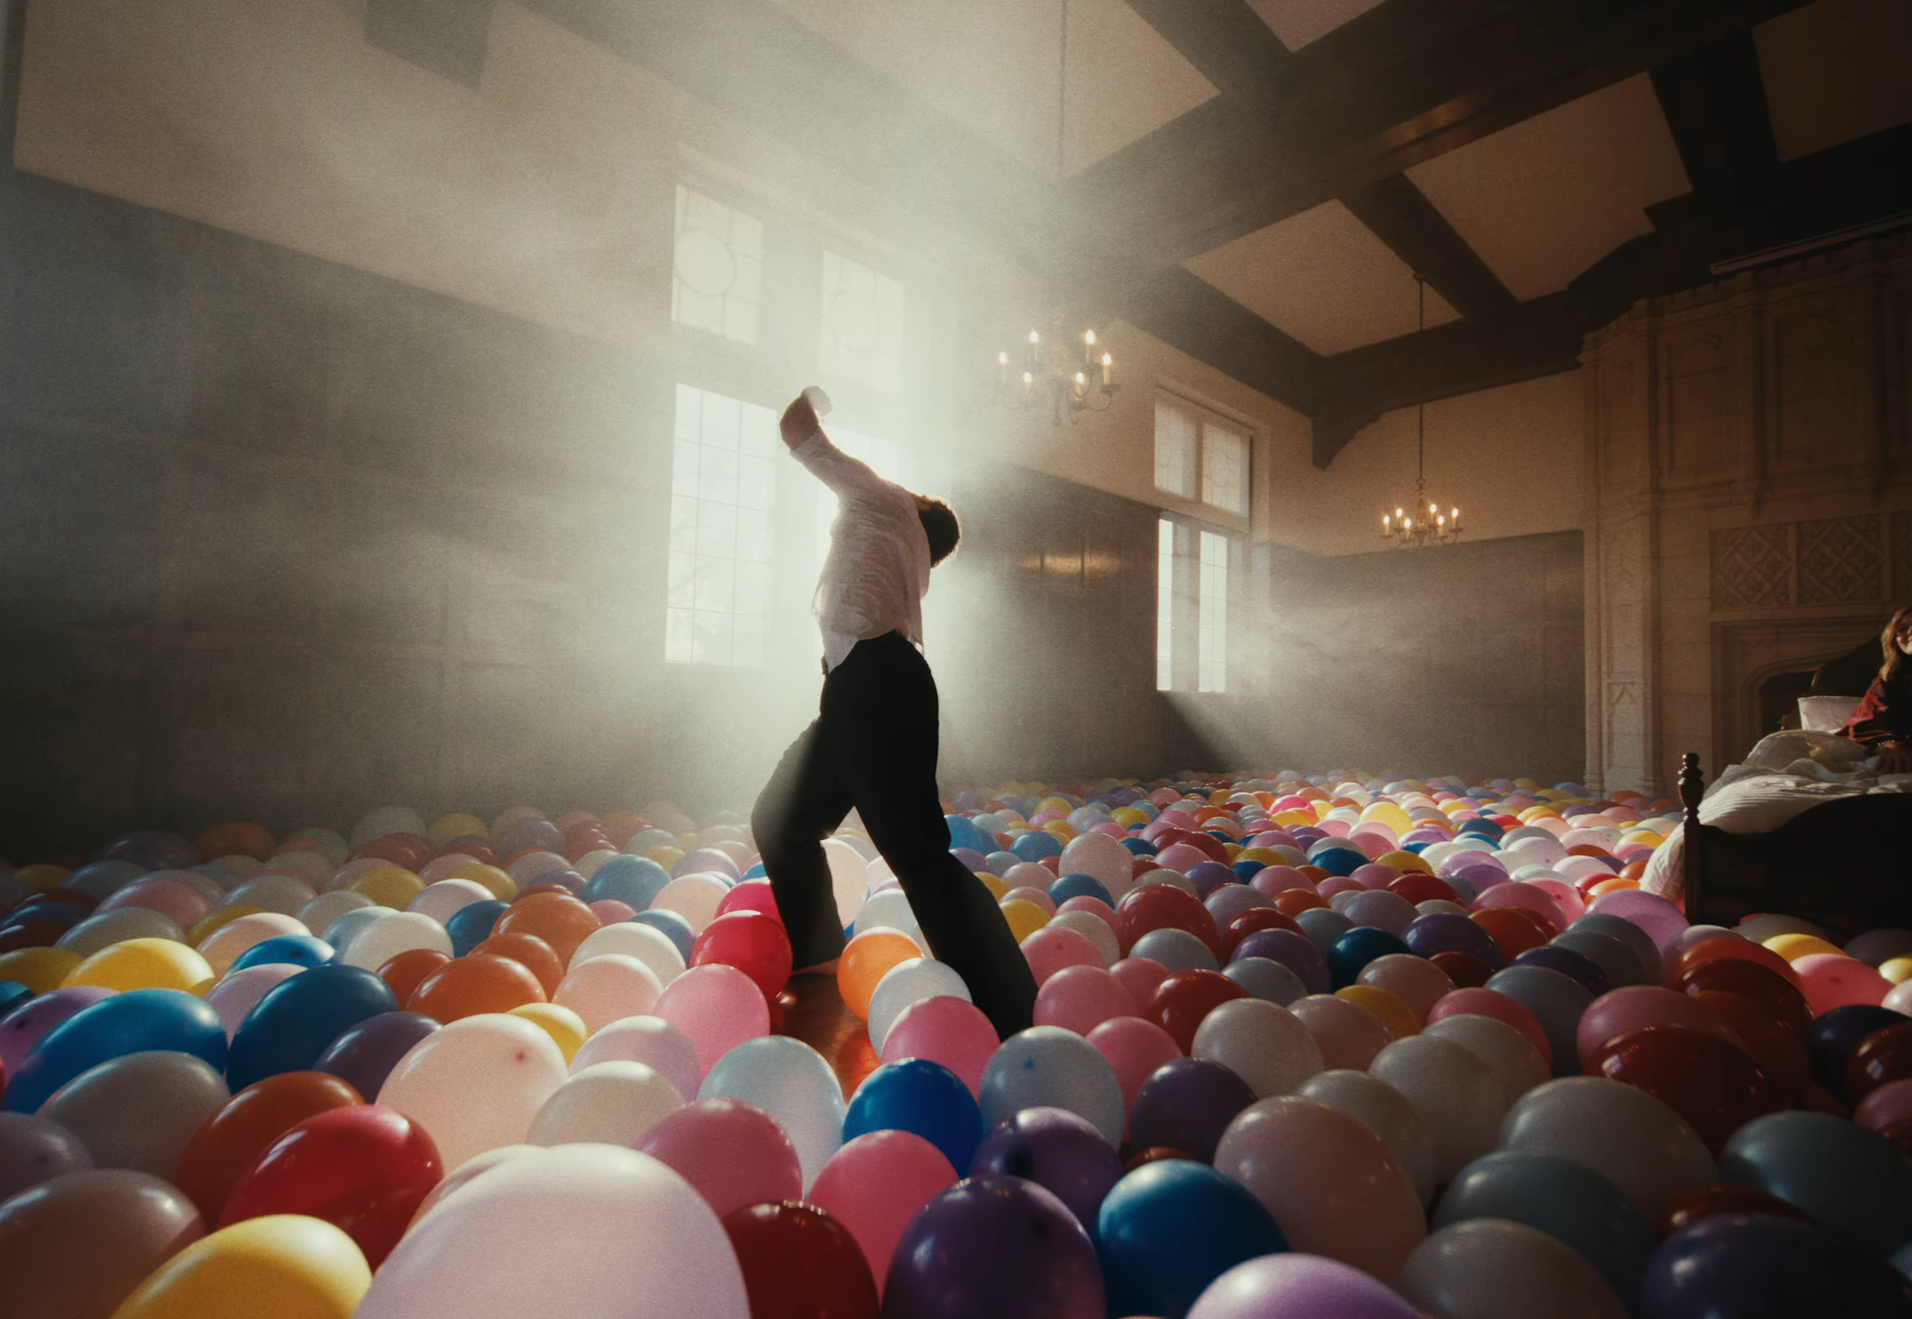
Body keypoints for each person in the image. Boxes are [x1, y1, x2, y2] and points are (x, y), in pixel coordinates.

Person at [750, 390, 1037, 1039]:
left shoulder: (881, 500)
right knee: (783, 817)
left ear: (911, 504)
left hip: (874, 688)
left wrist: (817, 397)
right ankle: (821, 957)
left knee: (918, 857)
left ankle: (1011, 1004)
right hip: (867, 689)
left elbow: (798, 427)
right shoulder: (908, 550)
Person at [1839, 605, 1912, 774]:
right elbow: (1869, 723)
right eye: (1902, 628)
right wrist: (1890, 744)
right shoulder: (1889, 682)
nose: (1909, 632)